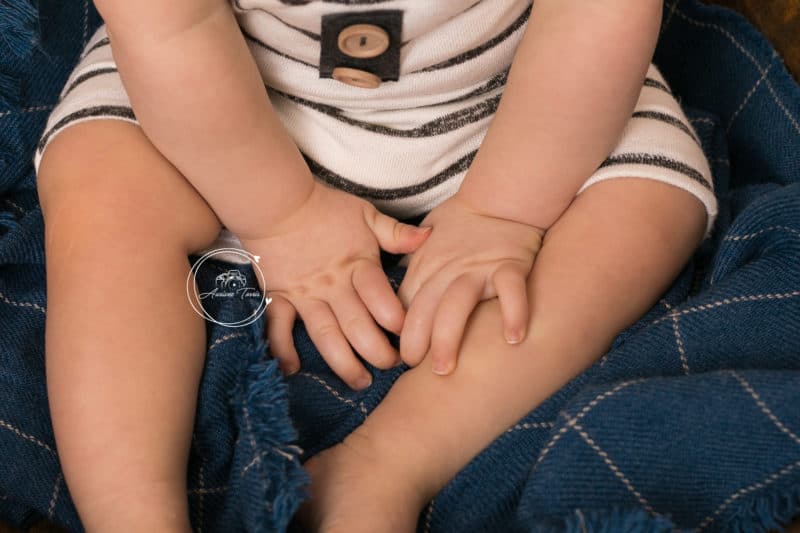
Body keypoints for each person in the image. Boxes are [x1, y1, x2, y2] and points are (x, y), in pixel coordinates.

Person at [34, 0, 715, 531]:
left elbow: (594, 17)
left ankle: (389, 462)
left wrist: (507, 211)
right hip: (221, 105)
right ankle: (134, 512)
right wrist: (281, 214)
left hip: (522, 108)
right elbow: (171, 28)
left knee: (647, 208)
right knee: (101, 182)